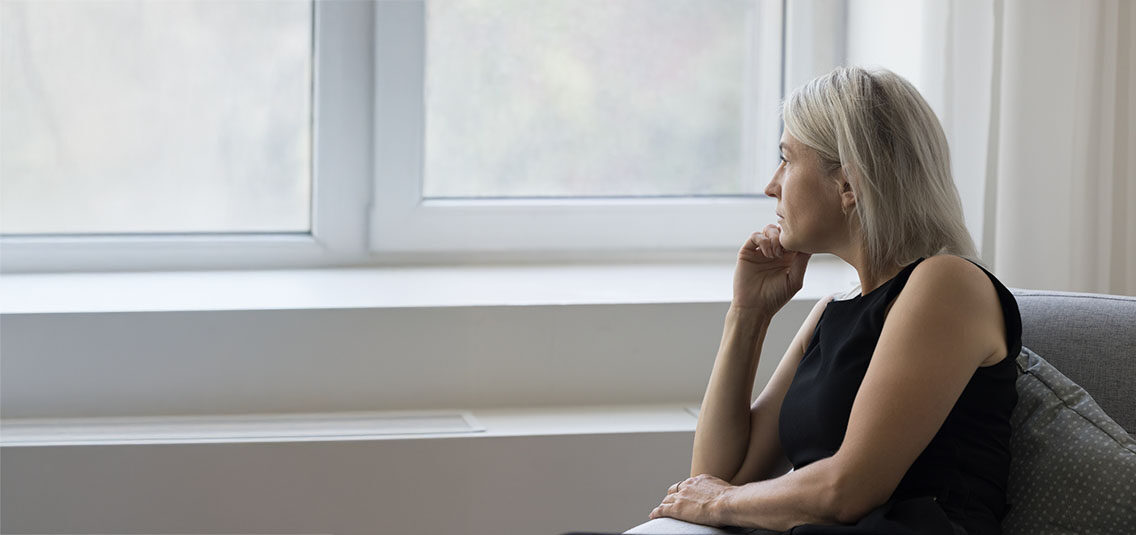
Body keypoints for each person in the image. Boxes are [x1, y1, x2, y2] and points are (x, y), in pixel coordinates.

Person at [644, 67, 1022, 534]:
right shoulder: (830, 313)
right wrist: (747, 315)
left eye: (786, 159)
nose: (772, 185)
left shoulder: (946, 283)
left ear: (848, 184)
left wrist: (719, 503)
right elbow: (715, 476)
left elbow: (848, 490)